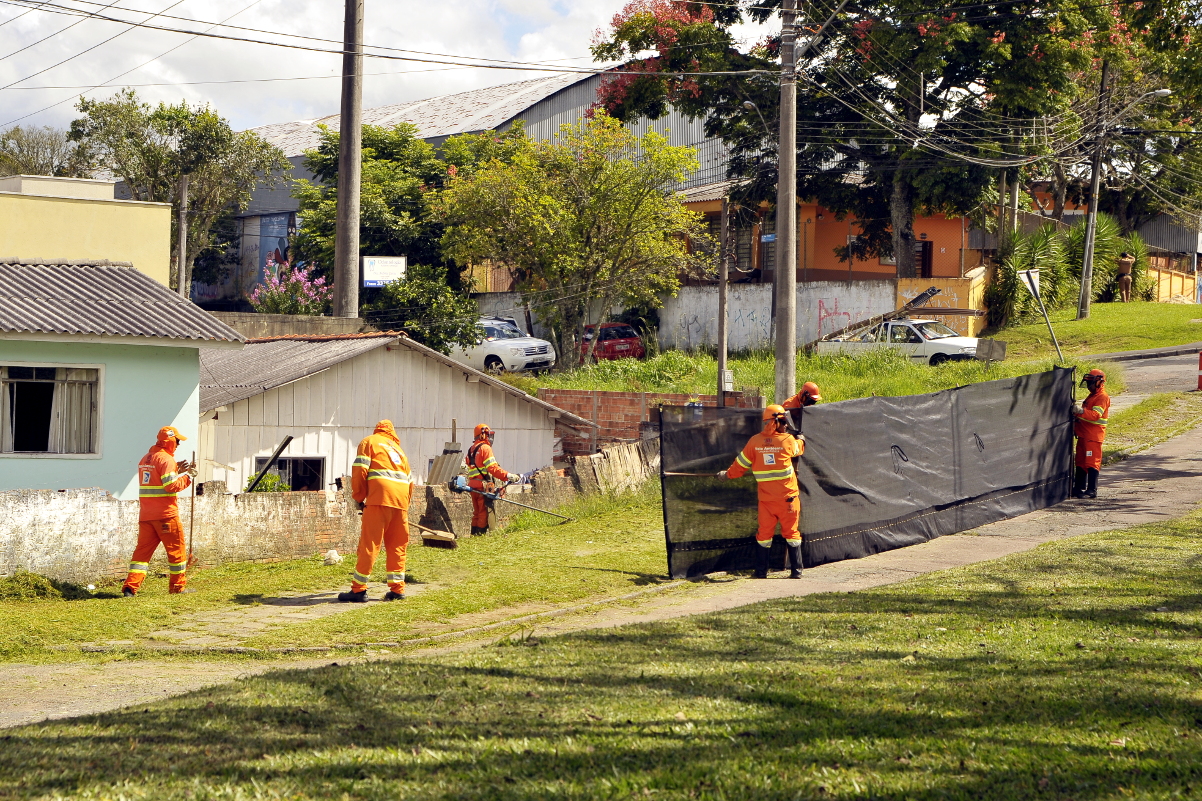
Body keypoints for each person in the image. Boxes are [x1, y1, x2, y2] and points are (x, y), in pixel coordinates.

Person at [719, 404, 806, 579]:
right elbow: (799, 449)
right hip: (788, 499)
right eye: (784, 422)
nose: (786, 425)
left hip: (766, 502)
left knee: (764, 535)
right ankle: (796, 571)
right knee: (792, 534)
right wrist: (802, 439)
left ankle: (760, 572)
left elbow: (740, 465)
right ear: (777, 422)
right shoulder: (787, 440)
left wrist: (726, 475)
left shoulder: (755, 442)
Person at [339, 420, 412, 603]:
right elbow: (410, 482)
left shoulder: (369, 442)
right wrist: (403, 505)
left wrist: (359, 497)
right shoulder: (399, 451)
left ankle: (358, 590)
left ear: (377, 430)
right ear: (392, 433)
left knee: (370, 544)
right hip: (401, 502)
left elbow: (360, 471)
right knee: (397, 546)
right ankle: (397, 590)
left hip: (379, 499)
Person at [122, 426, 196, 597]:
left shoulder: (146, 458)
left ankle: (130, 588)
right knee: (177, 552)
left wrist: (176, 470)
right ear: (170, 441)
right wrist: (189, 477)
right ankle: (177, 588)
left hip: (146, 516)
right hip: (166, 516)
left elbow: (156, 479)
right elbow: (171, 486)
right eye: (177, 441)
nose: (178, 444)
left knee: (142, 554)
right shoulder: (167, 460)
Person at [465, 424, 519, 534]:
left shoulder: (471, 449)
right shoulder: (485, 448)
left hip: (472, 485)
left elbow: (468, 465)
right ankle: (480, 536)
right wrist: (508, 475)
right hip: (482, 486)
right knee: (483, 513)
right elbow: (492, 468)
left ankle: (473, 535)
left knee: (476, 512)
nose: (490, 438)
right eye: (489, 435)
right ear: (483, 435)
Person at [1072, 369, 1110, 499]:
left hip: (1093, 436)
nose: (1088, 386)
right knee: (1080, 461)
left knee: (1092, 462)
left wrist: (1080, 411)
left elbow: (1095, 415)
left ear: (1099, 382)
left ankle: (1092, 490)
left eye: (1090, 383)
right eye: (1087, 383)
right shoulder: (1092, 396)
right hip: (1084, 435)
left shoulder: (1102, 397)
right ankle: (1078, 488)